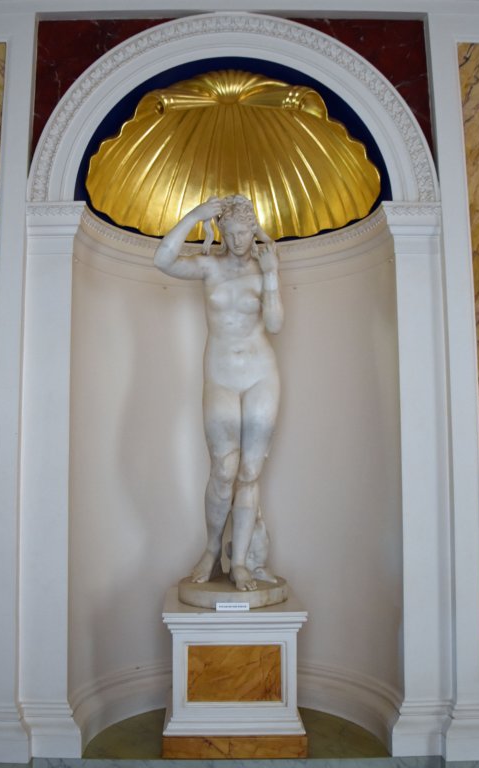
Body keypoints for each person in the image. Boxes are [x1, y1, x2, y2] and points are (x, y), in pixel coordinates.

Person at [154, 195, 283, 591]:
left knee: (249, 471)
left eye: (245, 232)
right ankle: (212, 550)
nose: (240, 240)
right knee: (224, 470)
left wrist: (272, 275)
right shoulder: (209, 267)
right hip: (221, 376)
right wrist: (195, 216)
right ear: (222, 233)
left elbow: (275, 325)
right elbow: (163, 259)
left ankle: (239, 561)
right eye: (232, 233)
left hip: (261, 374)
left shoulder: (264, 266)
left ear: (253, 231)